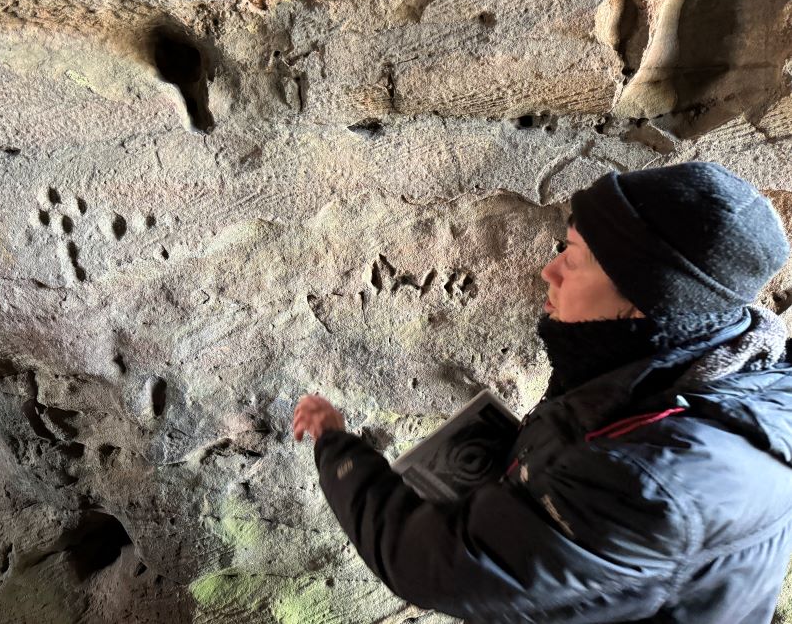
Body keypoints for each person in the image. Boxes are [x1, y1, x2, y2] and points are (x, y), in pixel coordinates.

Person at [292, 161, 792, 623]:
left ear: (647, 299)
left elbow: (433, 564)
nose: (548, 272)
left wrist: (335, 445)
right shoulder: (712, 364)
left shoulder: (652, 481)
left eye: (573, 258)